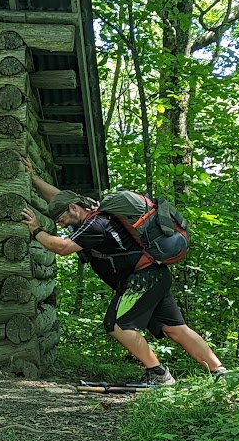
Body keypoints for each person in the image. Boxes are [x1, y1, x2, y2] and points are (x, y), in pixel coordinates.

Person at [20, 160, 226, 385]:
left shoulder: (95, 224)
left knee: (116, 324)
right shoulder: (91, 212)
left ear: (74, 209)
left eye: (63, 219)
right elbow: (60, 198)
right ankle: (220, 372)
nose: (62, 225)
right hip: (155, 274)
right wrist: (34, 179)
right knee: (176, 328)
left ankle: (159, 374)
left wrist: (36, 229)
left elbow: (62, 248)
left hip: (142, 279)